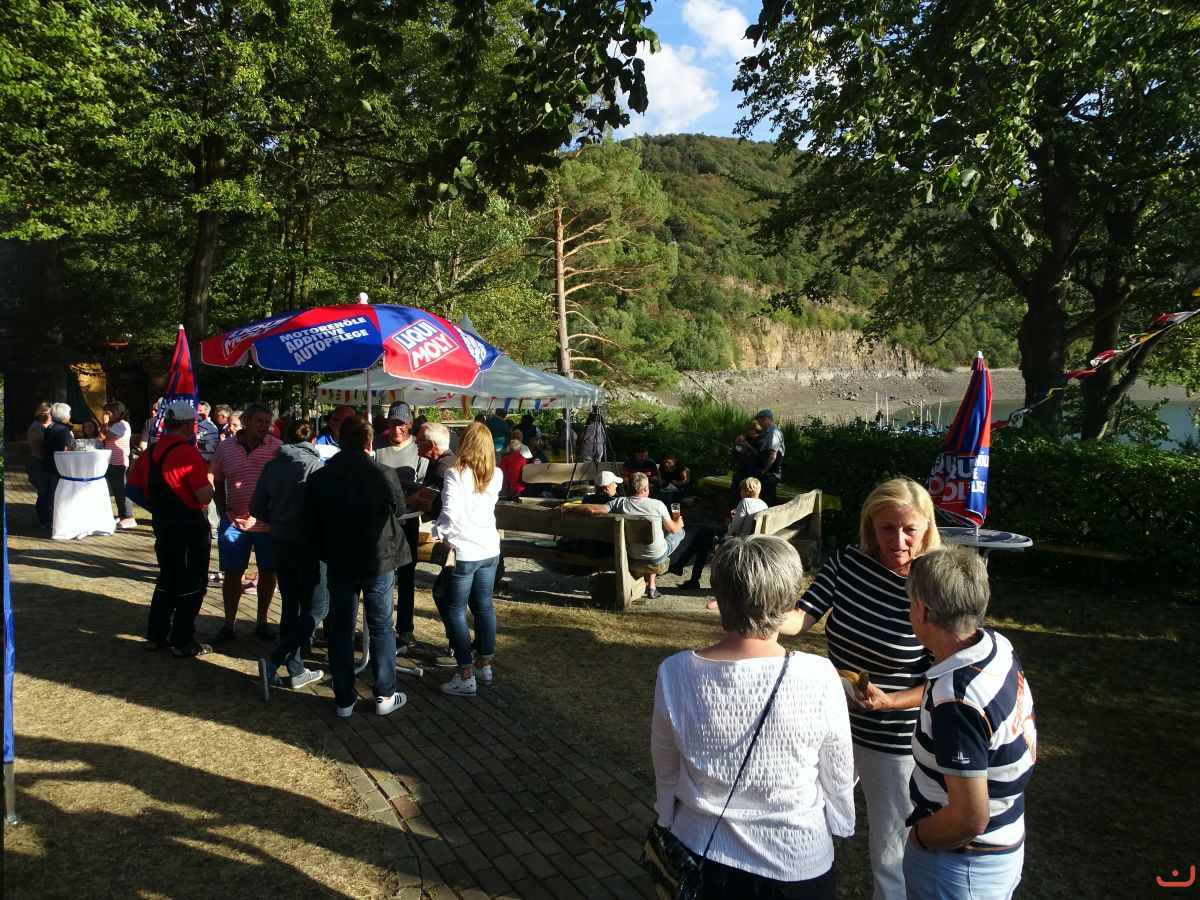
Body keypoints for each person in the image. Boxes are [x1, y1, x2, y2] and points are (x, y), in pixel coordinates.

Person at [651, 535, 855, 898]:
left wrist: (666, 816)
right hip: (796, 858)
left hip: (700, 850)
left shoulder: (675, 672)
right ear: (790, 599)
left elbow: (665, 767)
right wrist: (841, 820)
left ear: (719, 594)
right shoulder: (820, 674)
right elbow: (837, 770)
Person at [779, 477, 942, 900]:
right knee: (804, 815)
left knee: (890, 848)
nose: (898, 541)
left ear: (927, 526)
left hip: (893, 737)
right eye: (887, 528)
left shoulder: (934, 586)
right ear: (871, 526)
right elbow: (802, 617)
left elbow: (943, 679)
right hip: (832, 719)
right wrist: (751, 612)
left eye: (909, 529)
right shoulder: (848, 562)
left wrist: (891, 702)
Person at [903, 548, 1037, 900]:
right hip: (1003, 841)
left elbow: (968, 819)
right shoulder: (996, 645)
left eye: (910, 602)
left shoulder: (956, 701)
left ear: (924, 612)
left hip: (960, 865)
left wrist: (920, 837)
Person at [306, 416, 410, 717]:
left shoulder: (322, 477)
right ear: (369, 442)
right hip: (378, 558)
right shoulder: (384, 473)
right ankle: (385, 693)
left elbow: (312, 520)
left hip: (341, 558)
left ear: (340, 440)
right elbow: (399, 509)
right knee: (381, 626)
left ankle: (344, 698)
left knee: (341, 628)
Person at [127, 400, 215, 657]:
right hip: (189, 525)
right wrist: (210, 477)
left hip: (163, 525)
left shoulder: (151, 452)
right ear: (188, 425)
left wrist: (157, 508)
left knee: (167, 578)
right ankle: (183, 640)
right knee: (192, 582)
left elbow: (132, 489)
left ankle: (156, 635)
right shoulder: (188, 454)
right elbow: (203, 495)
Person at [250, 419, 327, 698]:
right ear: (313, 440)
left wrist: (278, 519)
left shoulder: (272, 465)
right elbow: (322, 511)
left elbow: (256, 507)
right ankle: (275, 660)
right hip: (308, 545)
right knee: (318, 607)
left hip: (280, 541)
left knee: (291, 605)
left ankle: (295, 670)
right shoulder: (315, 466)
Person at [431, 421, 504, 697]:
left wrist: (439, 530)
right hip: (489, 547)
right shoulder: (496, 473)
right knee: (484, 607)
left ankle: (465, 673)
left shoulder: (455, 473)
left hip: (465, 550)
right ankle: (484, 664)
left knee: (455, 610)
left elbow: (450, 512)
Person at [209, 401, 282, 644]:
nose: (264, 426)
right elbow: (218, 480)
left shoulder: (277, 447)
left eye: (267, 422)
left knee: (268, 572)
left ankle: (262, 622)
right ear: (246, 421)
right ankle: (229, 624)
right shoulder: (225, 448)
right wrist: (221, 510)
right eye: (259, 421)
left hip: (267, 524)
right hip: (234, 522)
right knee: (232, 574)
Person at [558, 471, 683, 598]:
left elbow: (593, 509)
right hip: (654, 557)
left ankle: (651, 586)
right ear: (646, 488)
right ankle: (652, 587)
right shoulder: (658, 505)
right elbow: (673, 530)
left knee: (643, 541)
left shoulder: (619, 503)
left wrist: (568, 507)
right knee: (678, 532)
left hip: (632, 554)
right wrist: (679, 522)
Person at [373, 401, 426, 652]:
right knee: (380, 576)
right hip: (381, 522)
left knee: (406, 576)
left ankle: (406, 628)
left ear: (410, 424)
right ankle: (381, 627)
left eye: (401, 425)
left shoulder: (418, 448)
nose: (396, 430)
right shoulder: (376, 445)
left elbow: (425, 486)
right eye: (393, 424)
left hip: (408, 521)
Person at [668, 476, 767, 590]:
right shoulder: (763, 504)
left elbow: (733, 529)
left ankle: (682, 568)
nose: (739, 491)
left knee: (702, 535)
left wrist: (729, 522)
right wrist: (736, 517)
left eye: (741, 489)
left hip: (738, 541)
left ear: (748, 490)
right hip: (751, 539)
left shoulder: (745, 502)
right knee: (703, 539)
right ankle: (688, 574)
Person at [37, 402, 75, 531]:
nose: (70, 415)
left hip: (48, 466)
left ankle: (49, 521)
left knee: (49, 495)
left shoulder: (50, 427)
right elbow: (65, 450)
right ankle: (58, 523)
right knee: (58, 497)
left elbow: (44, 447)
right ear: (64, 416)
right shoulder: (63, 430)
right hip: (57, 469)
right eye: (69, 413)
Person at [102, 401, 137, 529]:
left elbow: (102, 437)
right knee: (117, 491)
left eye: (109, 413)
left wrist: (104, 424)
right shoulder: (116, 425)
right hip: (113, 462)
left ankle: (129, 517)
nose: (107, 415)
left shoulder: (121, 425)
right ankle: (122, 515)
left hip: (119, 463)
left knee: (122, 490)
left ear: (116, 413)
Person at [754, 409, 785, 506]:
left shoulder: (774, 433)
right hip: (769, 474)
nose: (759, 424)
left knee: (767, 503)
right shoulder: (770, 432)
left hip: (770, 475)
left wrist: (764, 471)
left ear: (765, 419)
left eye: (759, 421)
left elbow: (773, 455)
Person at [27, 401, 52, 508]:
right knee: (43, 493)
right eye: (44, 413)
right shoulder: (36, 428)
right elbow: (38, 449)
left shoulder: (48, 426)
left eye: (49, 413)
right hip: (39, 463)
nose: (47, 416)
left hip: (46, 464)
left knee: (48, 493)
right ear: (38, 413)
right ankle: (43, 517)